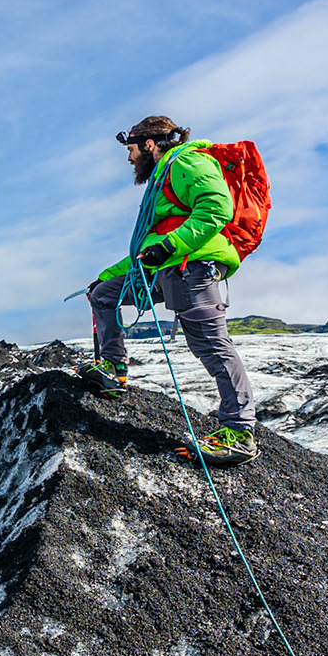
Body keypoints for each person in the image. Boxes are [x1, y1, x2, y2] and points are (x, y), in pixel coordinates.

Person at [79, 115, 258, 466]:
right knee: (105, 295)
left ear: (148, 144)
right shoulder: (165, 175)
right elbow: (151, 243)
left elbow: (215, 209)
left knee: (211, 344)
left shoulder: (187, 161)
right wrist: (104, 277)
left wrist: (170, 247)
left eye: (130, 149)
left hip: (191, 265)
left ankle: (239, 431)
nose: (129, 159)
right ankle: (113, 370)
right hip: (167, 266)